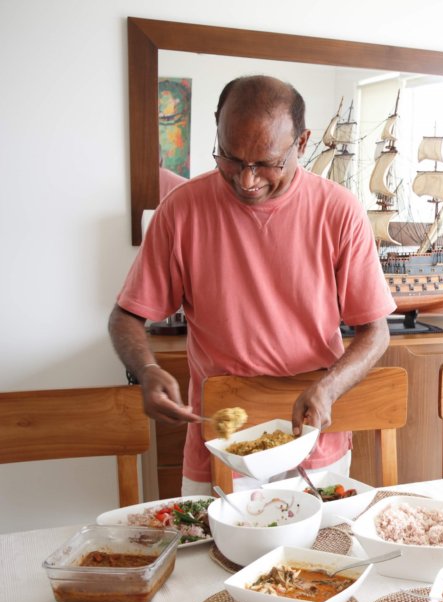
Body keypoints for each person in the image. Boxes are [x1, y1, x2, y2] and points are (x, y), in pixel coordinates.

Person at [109, 75, 396, 495]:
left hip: (312, 443)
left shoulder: (339, 211)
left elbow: (376, 331)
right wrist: (148, 369)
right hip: (220, 444)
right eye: (230, 158)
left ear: (302, 144)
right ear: (217, 129)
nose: (246, 180)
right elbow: (126, 317)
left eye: (266, 163)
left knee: (319, 558)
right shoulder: (181, 210)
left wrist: (329, 388)